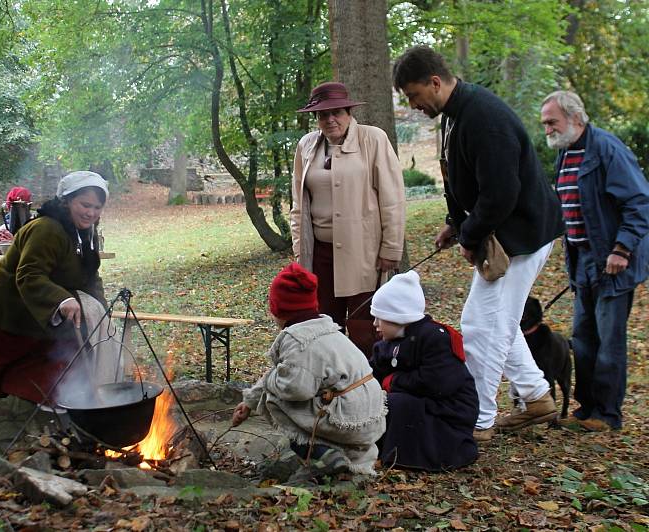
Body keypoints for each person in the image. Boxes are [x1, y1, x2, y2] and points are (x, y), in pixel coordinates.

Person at [392, 46, 565, 441]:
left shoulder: (484, 118)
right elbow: (460, 176)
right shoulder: (453, 116)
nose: (413, 105)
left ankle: (478, 419)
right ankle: (537, 396)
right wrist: (456, 222)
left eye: (414, 95)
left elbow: (502, 193)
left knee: (483, 325)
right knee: (494, 322)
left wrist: (471, 235)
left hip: (522, 236)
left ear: (435, 82)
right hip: (507, 233)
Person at [540, 91, 649, 432]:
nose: (547, 130)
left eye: (551, 122)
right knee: (583, 337)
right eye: (544, 123)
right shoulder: (567, 150)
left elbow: (639, 203)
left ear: (575, 118)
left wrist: (621, 250)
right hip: (583, 259)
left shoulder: (606, 149)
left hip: (613, 259)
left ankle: (608, 415)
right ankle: (586, 409)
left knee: (608, 340)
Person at [0, 171, 123, 405]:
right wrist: (62, 299)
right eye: (85, 205)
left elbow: (89, 277)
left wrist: (103, 311)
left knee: (64, 375)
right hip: (4, 318)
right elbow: (29, 274)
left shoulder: (83, 234)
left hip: (37, 319)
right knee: (2, 393)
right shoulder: (46, 229)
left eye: (97, 207)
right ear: (67, 201)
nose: (91, 212)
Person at [232, 263, 386, 479]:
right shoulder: (328, 331)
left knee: (274, 399)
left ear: (278, 310)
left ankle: (321, 453)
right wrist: (249, 401)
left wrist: (265, 389)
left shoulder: (298, 341)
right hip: (371, 417)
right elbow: (284, 373)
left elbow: (296, 389)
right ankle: (354, 461)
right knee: (278, 387)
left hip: (348, 418)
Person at [291, 81, 406, 358]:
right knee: (323, 324)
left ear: (348, 112)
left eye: (337, 112)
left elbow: (392, 198)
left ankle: (368, 386)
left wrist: (391, 248)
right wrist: (299, 250)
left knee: (364, 324)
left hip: (363, 252)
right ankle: (330, 385)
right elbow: (298, 203)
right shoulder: (306, 145)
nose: (330, 119)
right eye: (322, 114)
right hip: (319, 254)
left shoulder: (373, 139)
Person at [368, 271, 478, 471]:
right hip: (421, 404)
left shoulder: (435, 339)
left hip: (447, 412)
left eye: (379, 318)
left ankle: (407, 456)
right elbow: (372, 372)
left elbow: (438, 383)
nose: (375, 324)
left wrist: (392, 382)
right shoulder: (387, 344)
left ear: (397, 316)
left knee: (396, 402)